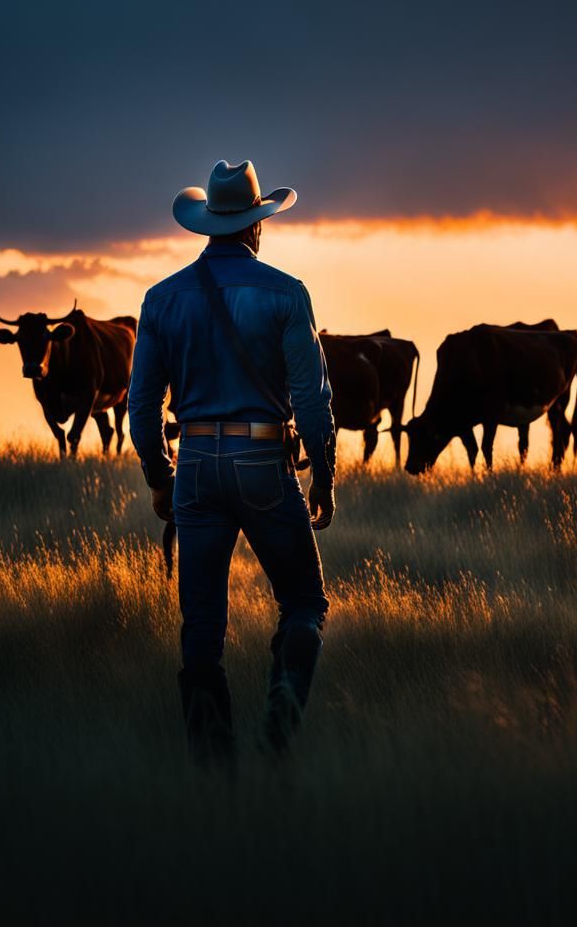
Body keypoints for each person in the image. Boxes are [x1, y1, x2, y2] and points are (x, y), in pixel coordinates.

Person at [128, 160, 336, 765]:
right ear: (257, 227)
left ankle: (214, 773)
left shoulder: (161, 299)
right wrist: (323, 479)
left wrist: (160, 479)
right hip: (264, 459)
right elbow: (314, 401)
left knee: (201, 630)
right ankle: (281, 719)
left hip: (193, 463)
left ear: (207, 227)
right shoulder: (286, 293)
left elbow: (142, 407)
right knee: (303, 603)